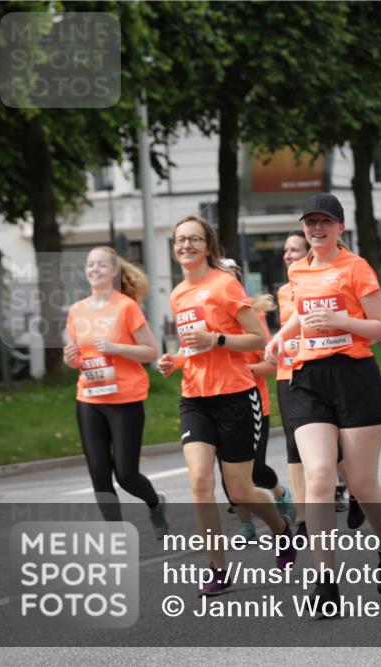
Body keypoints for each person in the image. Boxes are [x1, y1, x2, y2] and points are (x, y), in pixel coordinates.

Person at [265, 193, 381, 616]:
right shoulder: (298, 270)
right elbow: (302, 314)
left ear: (340, 228)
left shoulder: (356, 267)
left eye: (325, 221)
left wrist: (342, 321)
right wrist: (281, 335)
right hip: (308, 379)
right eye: (310, 222)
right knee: (321, 476)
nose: (316, 229)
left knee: (363, 483)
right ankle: (325, 581)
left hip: (354, 377)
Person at [158, 215, 296, 595]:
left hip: (236, 395)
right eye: (179, 239)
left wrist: (216, 339)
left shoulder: (225, 285)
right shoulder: (177, 293)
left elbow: (256, 340)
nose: (185, 245)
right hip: (195, 399)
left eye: (193, 239)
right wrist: (176, 359)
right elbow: (192, 345)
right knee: (200, 482)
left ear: (208, 245)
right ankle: (218, 569)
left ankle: (282, 530)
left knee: (240, 491)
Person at [64, 247, 168, 537]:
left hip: (125, 398)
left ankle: (155, 503)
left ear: (113, 272)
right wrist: (70, 357)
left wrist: (117, 348)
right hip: (89, 397)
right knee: (98, 471)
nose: (94, 269)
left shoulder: (126, 307)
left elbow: (151, 351)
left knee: (126, 474)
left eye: (101, 265)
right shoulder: (76, 310)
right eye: (90, 265)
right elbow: (76, 357)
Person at [220, 279, 297, 538]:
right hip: (217, 400)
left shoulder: (253, 319)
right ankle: (245, 524)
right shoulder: (207, 321)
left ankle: (279, 493)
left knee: (255, 470)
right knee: (227, 472)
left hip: (253, 403)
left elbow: (271, 365)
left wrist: (242, 369)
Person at [275, 232, 310, 537]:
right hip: (287, 372)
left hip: (317, 368)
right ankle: (303, 517)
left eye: (295, 249)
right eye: (286, 250)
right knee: (293, 443)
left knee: (334, 443)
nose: (288, 254)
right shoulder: (283, 291)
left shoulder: (316, 282)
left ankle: (351, 489)